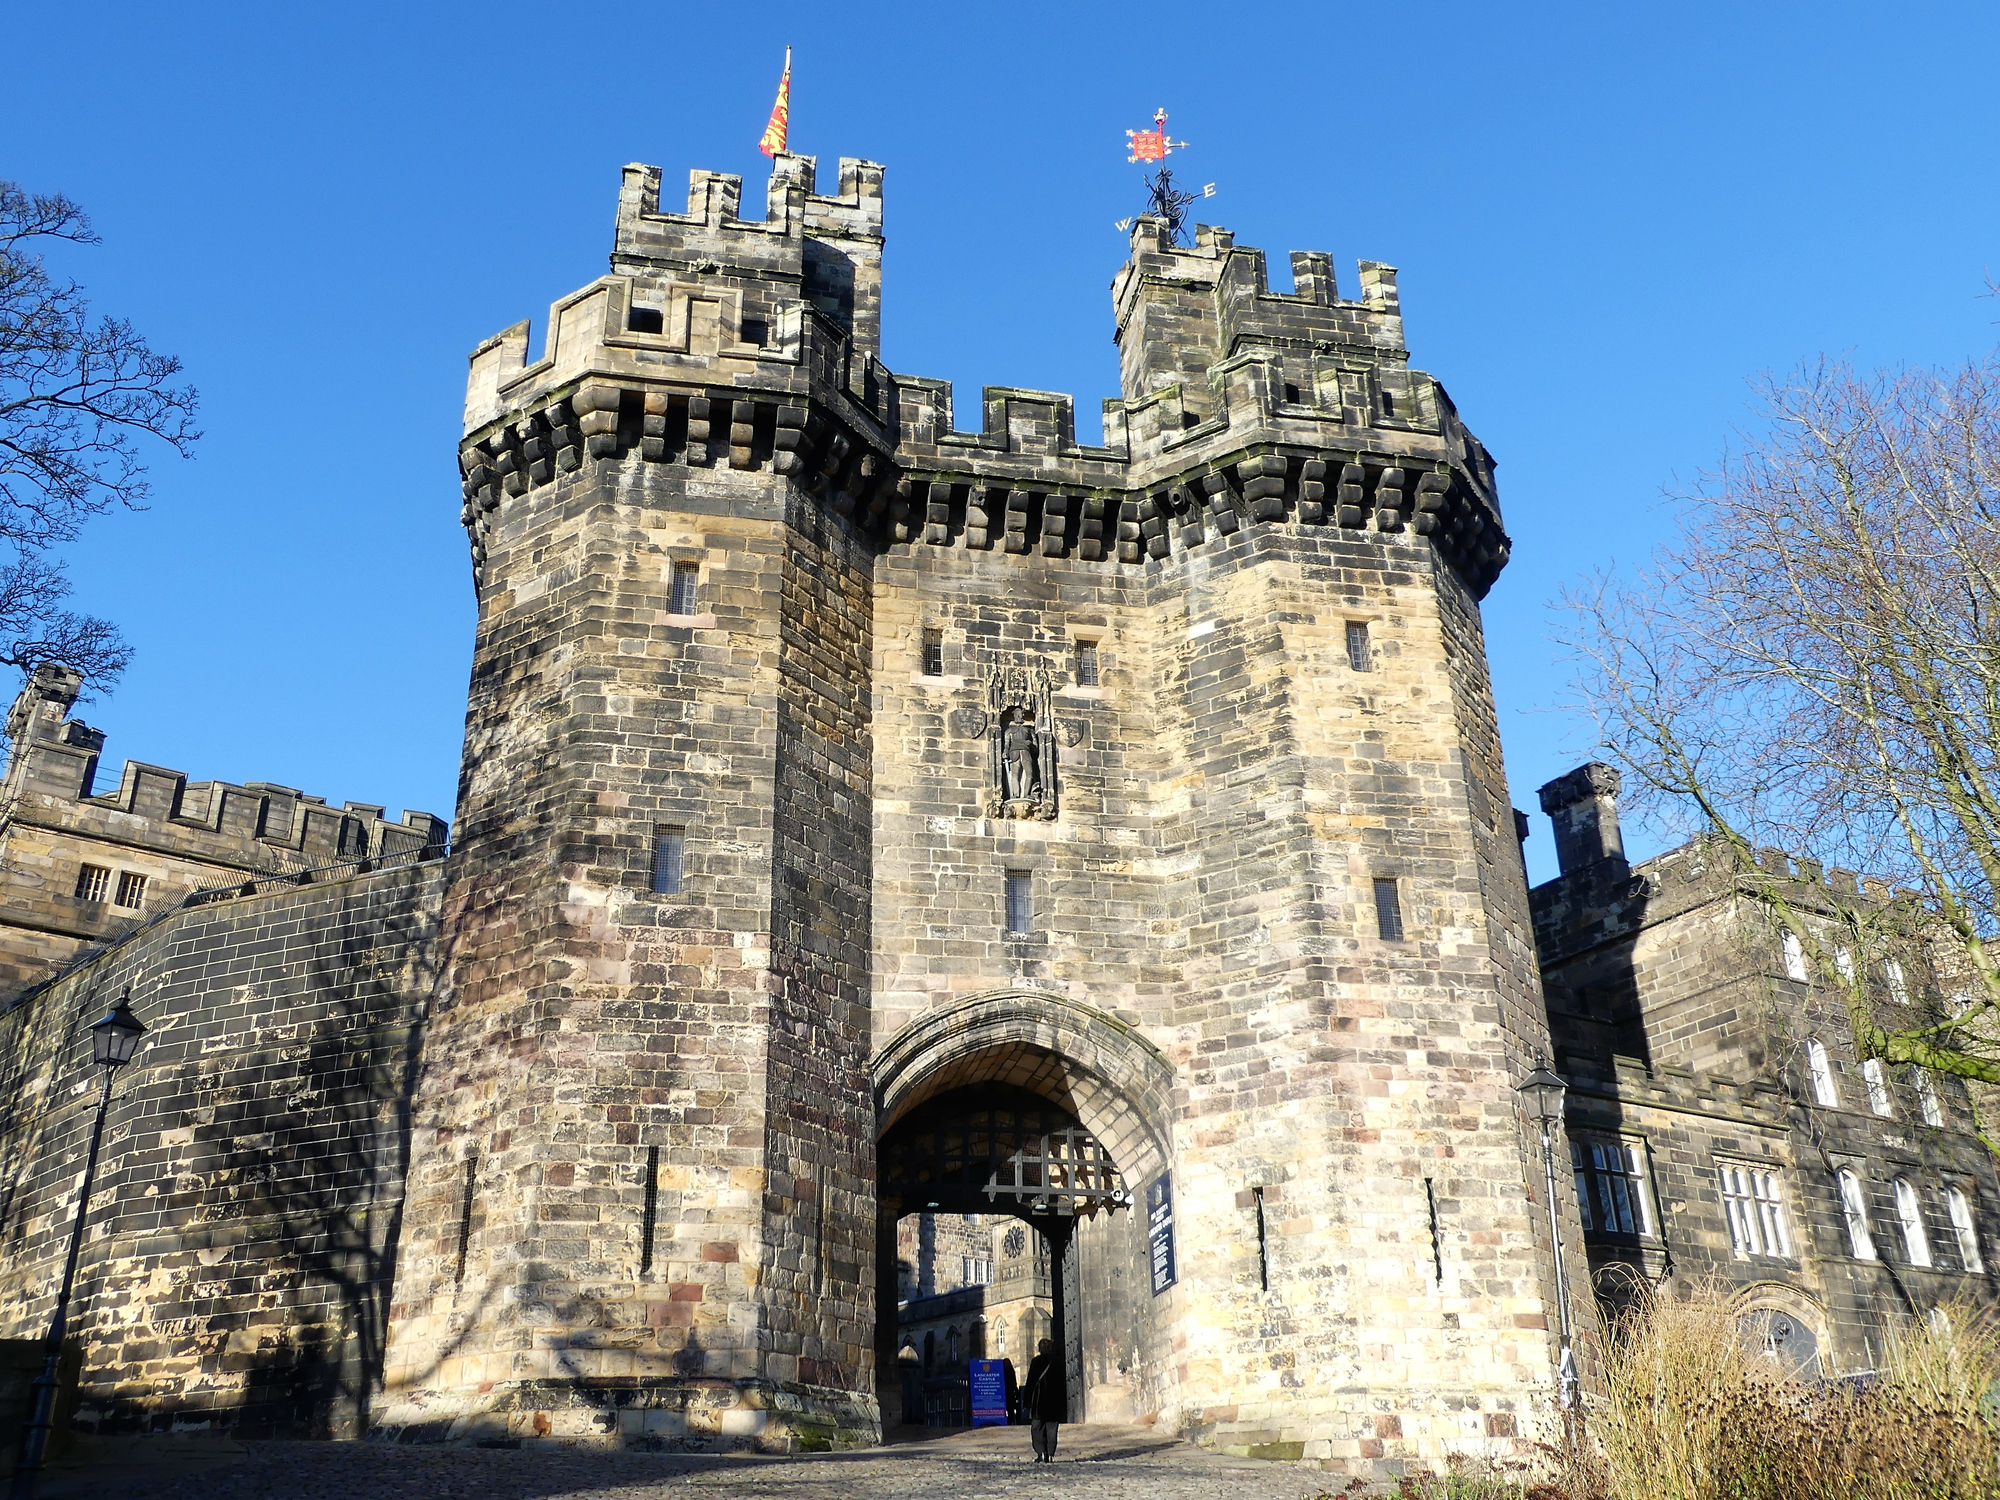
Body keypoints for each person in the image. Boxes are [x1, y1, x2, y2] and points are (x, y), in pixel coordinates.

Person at [1021, 1337, 1067, 1462]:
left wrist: (1026, 1401)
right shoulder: (1058, 1363)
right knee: (1052, 1429)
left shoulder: (1036, 1362)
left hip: (1039, 1402)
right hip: (1054, 1402)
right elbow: (1063, 1385)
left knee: (1037, 1428)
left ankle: (1041, 1453)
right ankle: (1051, 1454)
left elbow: (1030, 1382)